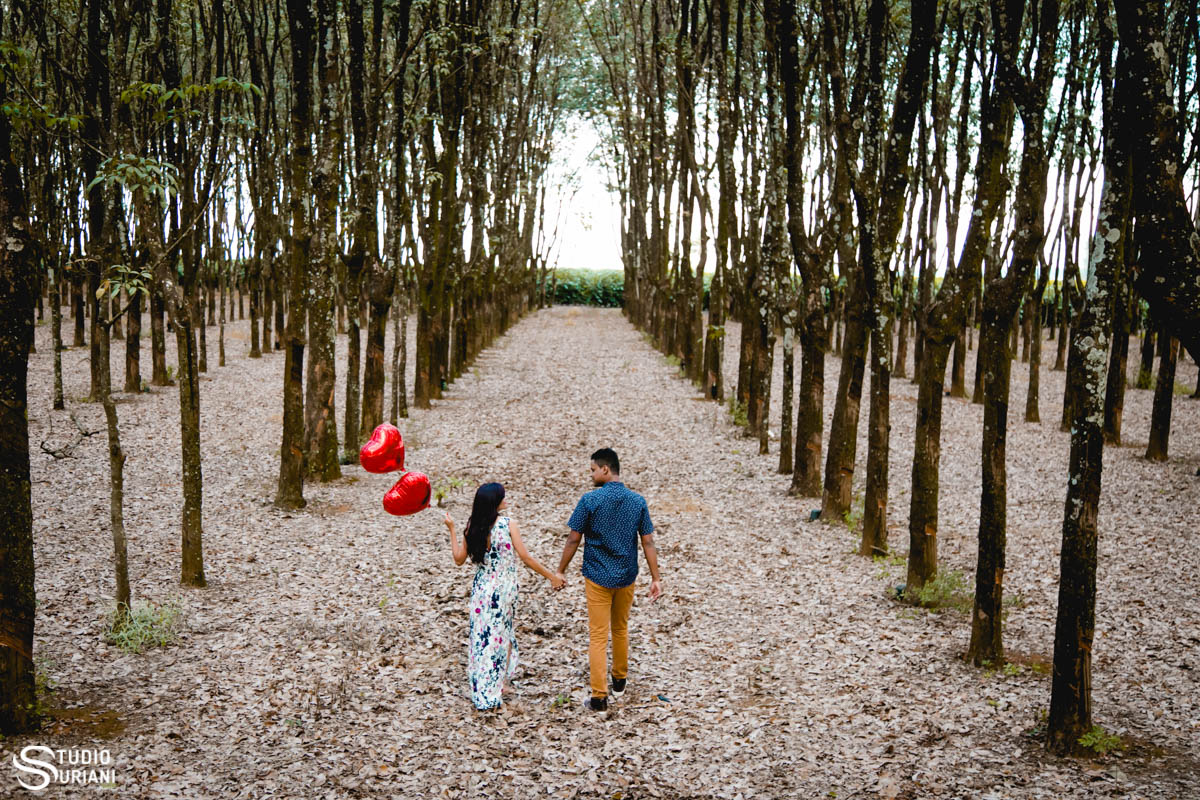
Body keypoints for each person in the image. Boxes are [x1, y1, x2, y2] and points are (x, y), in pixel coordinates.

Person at [555, 448, 662, 711]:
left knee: (598, 636)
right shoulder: (637, 501)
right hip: (626, 575)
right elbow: (647, 541)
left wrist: (560, 570)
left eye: (593, 469)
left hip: (597, 575)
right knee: (621, 628)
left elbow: (573, 538)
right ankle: (620, 680)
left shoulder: (590, 501)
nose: (591, 474)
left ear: (606, 469)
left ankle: (599, 696)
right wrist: (656, 577)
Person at [444, 482, 564, 710]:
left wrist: (451, 528)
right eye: (503, 497)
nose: (506, 500)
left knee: (482, 636)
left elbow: (458, 559)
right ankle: (497, 685)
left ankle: (487, 682)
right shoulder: (508, 525)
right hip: (503, 590)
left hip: (481, 590)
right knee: (502, 633)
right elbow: (526, 558)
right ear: (495, 502)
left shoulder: (473, 527)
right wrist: (551, 576)